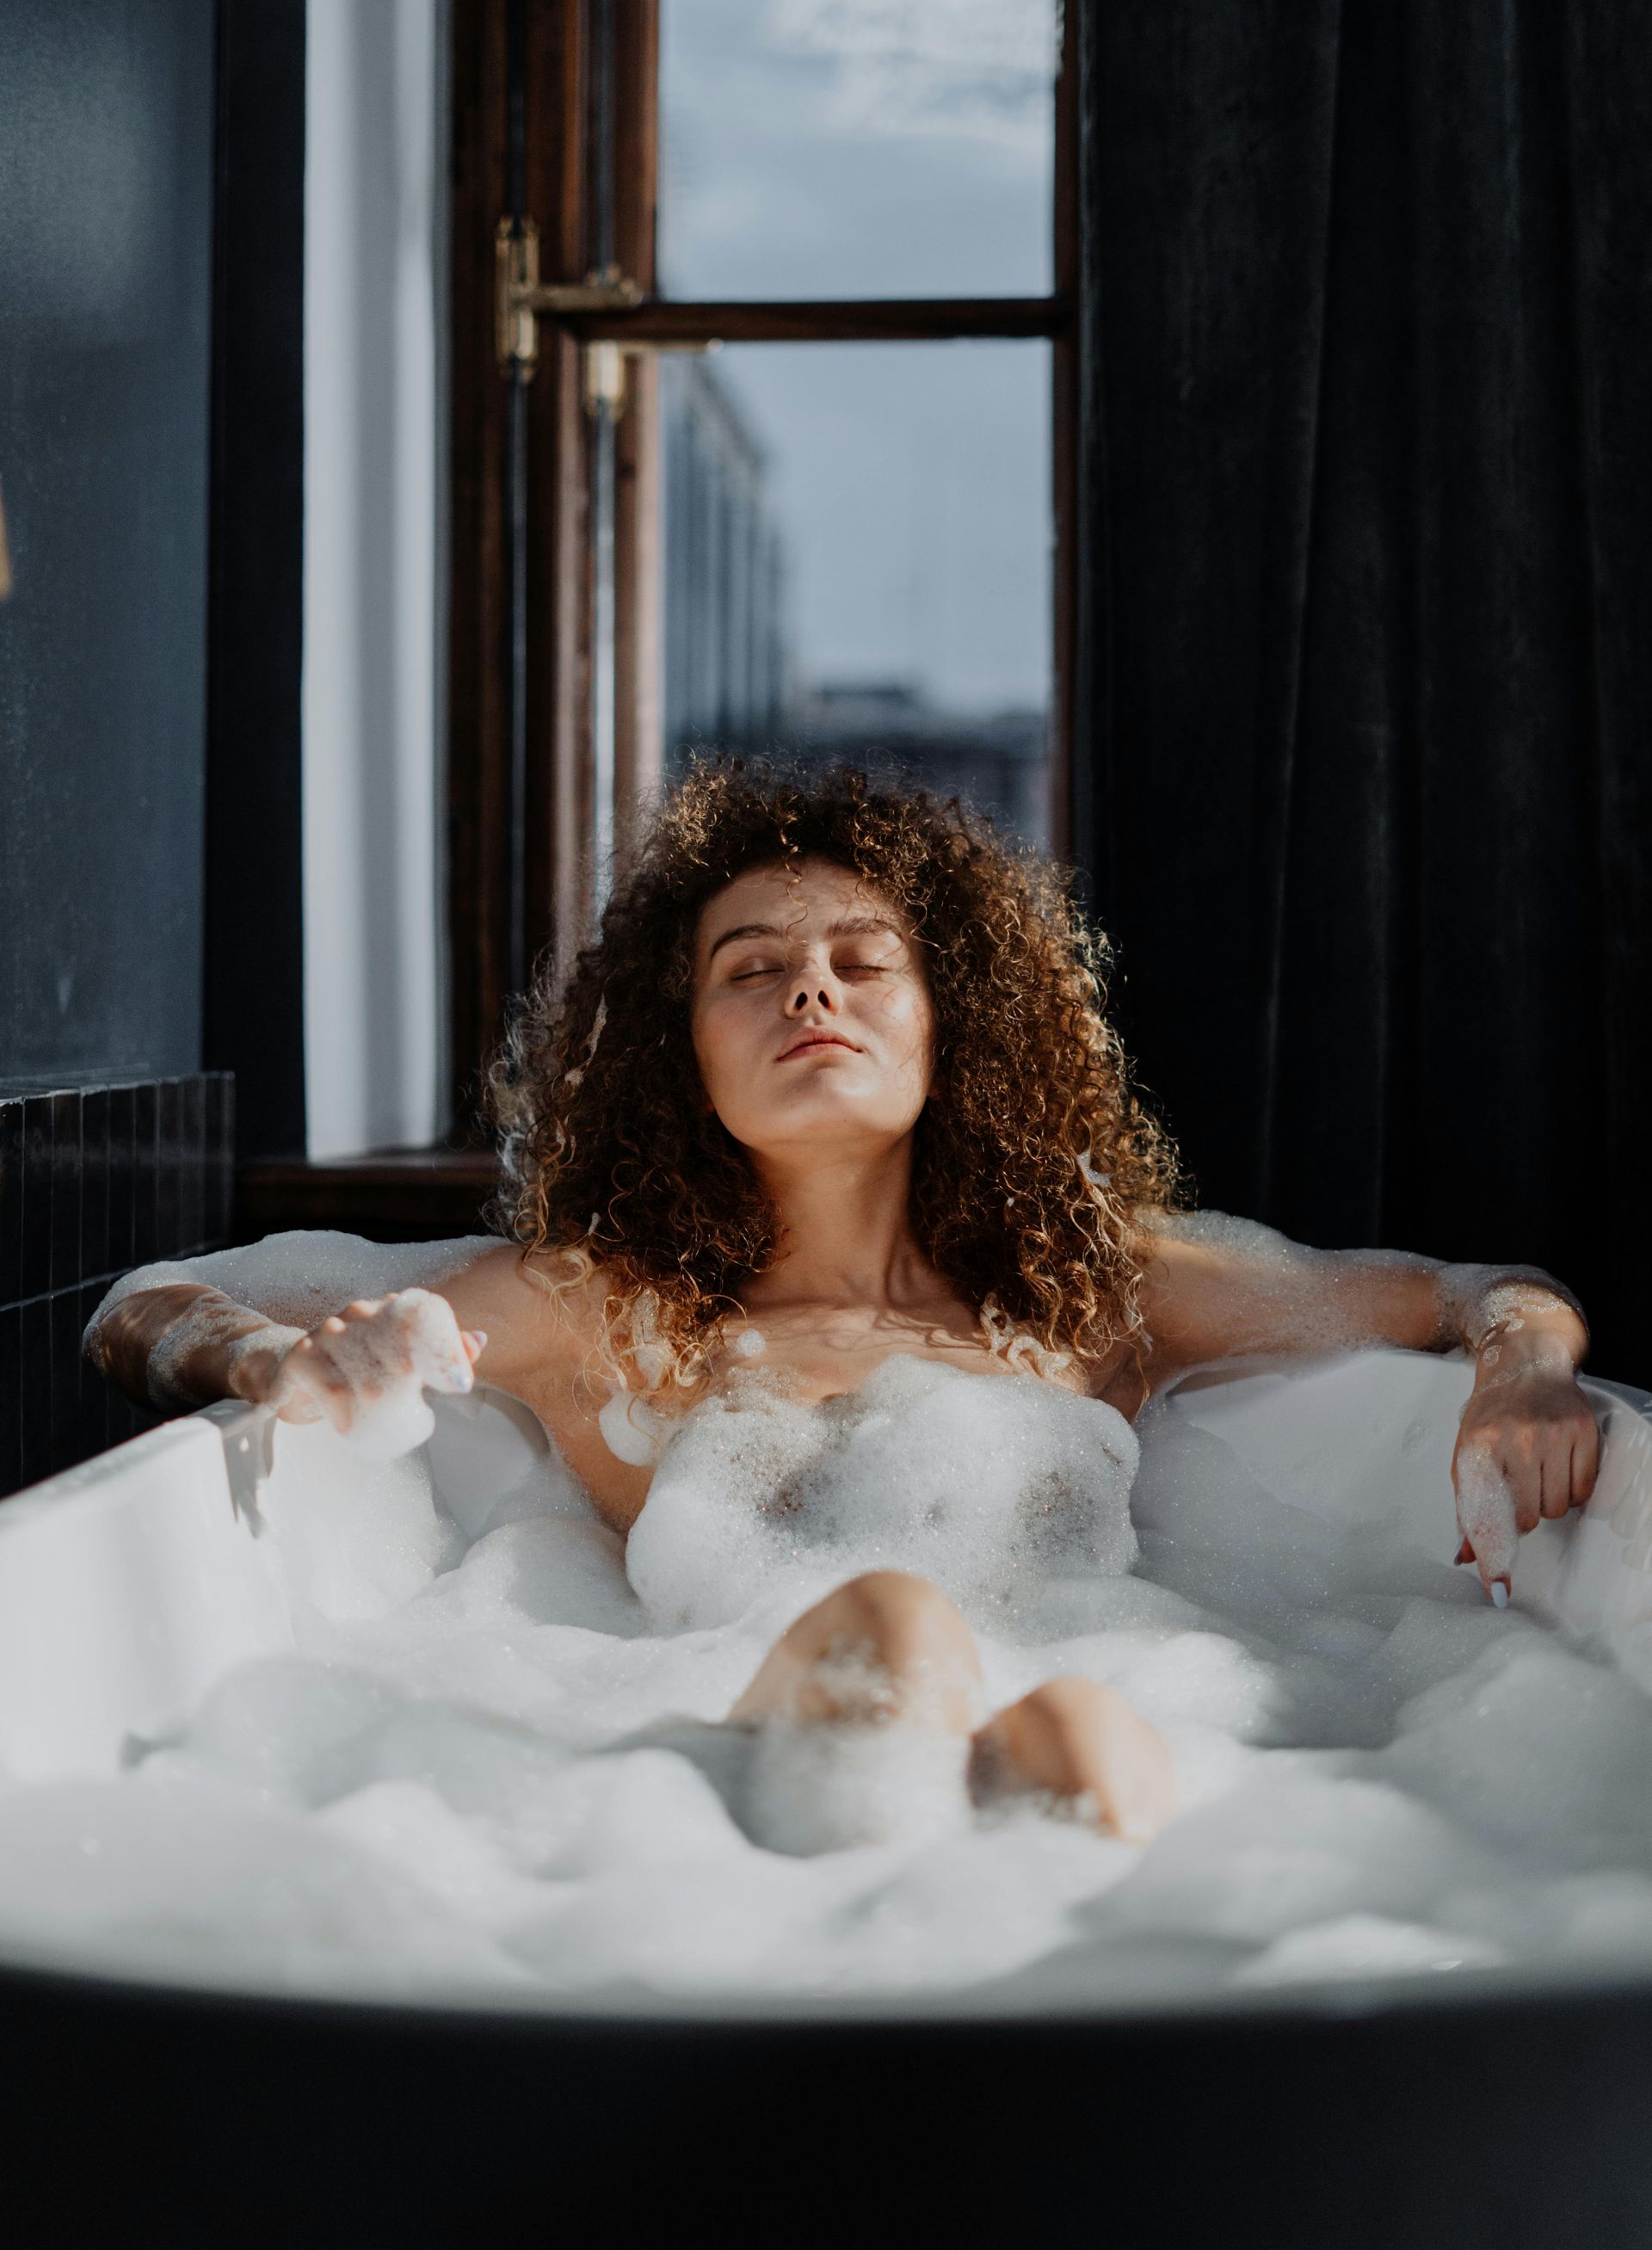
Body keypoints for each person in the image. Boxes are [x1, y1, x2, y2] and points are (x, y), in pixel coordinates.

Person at [87, 763, 1598, 1848]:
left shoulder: (1093, 1292)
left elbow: (1468, 1295)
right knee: (897, 1619)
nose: (813, 992)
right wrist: (281, 1358)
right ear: (684, 1052)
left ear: (952, 1028)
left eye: (864, 963)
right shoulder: (612, 1308)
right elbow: (147, 1301)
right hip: (715, 1766)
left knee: (1077, 1728)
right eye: (751, 970)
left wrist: (1524, 1371)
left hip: (1075, 1699)